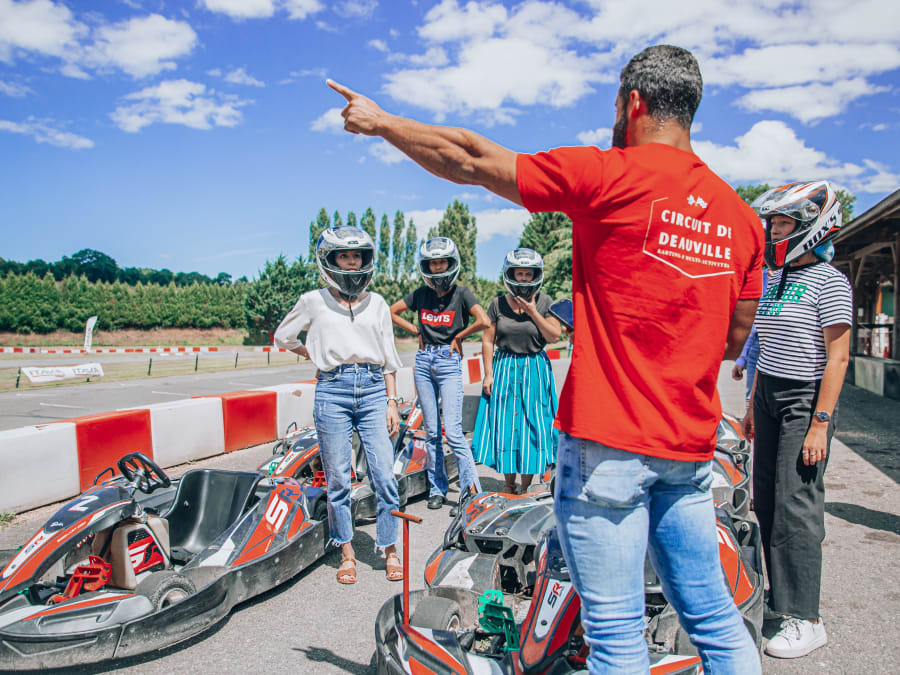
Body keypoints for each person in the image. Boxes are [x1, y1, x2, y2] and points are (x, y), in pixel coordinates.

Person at [327, 43, 764, 673]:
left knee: (615, 637)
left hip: (607, 450)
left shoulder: (610, 174)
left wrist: (382, 122)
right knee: (719, 626)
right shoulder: (741, 220)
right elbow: (732, 338)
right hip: (688, 454)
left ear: (632, 103)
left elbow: (472, 158)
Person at [741, 181, 850, 659]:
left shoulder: (831, 281)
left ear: (811, 226)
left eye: (781, 223)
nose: (773, 231)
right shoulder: (778, 278)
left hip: (805, 402)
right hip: (767, 397)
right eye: (772, 223)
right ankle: (778, 603)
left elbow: (838, 357)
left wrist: (821, 423)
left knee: (796, 507)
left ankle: (807, 618)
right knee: (763, 503)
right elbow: (765, 346)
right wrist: (751, 406)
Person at [274, 226, 403, 585]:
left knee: (384, 474)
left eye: (357, 256)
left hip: (375, 389)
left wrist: (392, 401)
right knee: (338, 479)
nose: (351, 262)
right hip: (332, 389)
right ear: (329, 260)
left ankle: (390, 549)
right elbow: (283, 337)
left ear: (366, 260)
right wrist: (311, 353)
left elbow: (390, 358)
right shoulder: (313, 300)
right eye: (344, 256)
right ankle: (347, 553)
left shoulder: (377, 303)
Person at [389, 237, 488, 511]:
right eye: (433, 263)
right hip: (423, 362)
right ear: (426, 266)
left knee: (454, 432)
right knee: (431, 432)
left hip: (448, 361)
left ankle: (471, 492)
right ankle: (437, 489)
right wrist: (416, 331)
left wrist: (459, 336)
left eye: (442, 261)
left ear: (451, 263)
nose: (438, 267)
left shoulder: (463, 293)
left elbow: (484, 320)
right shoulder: (421, 294)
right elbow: (391, 312)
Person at [473, 248, 561, 494]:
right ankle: (509, 484)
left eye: (528, 274)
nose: (523, 279)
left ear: (536, 276)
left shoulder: (545, 302)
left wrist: (533, 312)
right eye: (519, 273)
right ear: (510, 274)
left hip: (534, 367)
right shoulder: (497, 304)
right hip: (504, 367)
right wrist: (488, 373)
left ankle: (526, 485)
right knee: (506, 426)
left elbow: (555, 336)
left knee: (533, 424)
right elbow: (488, 340)